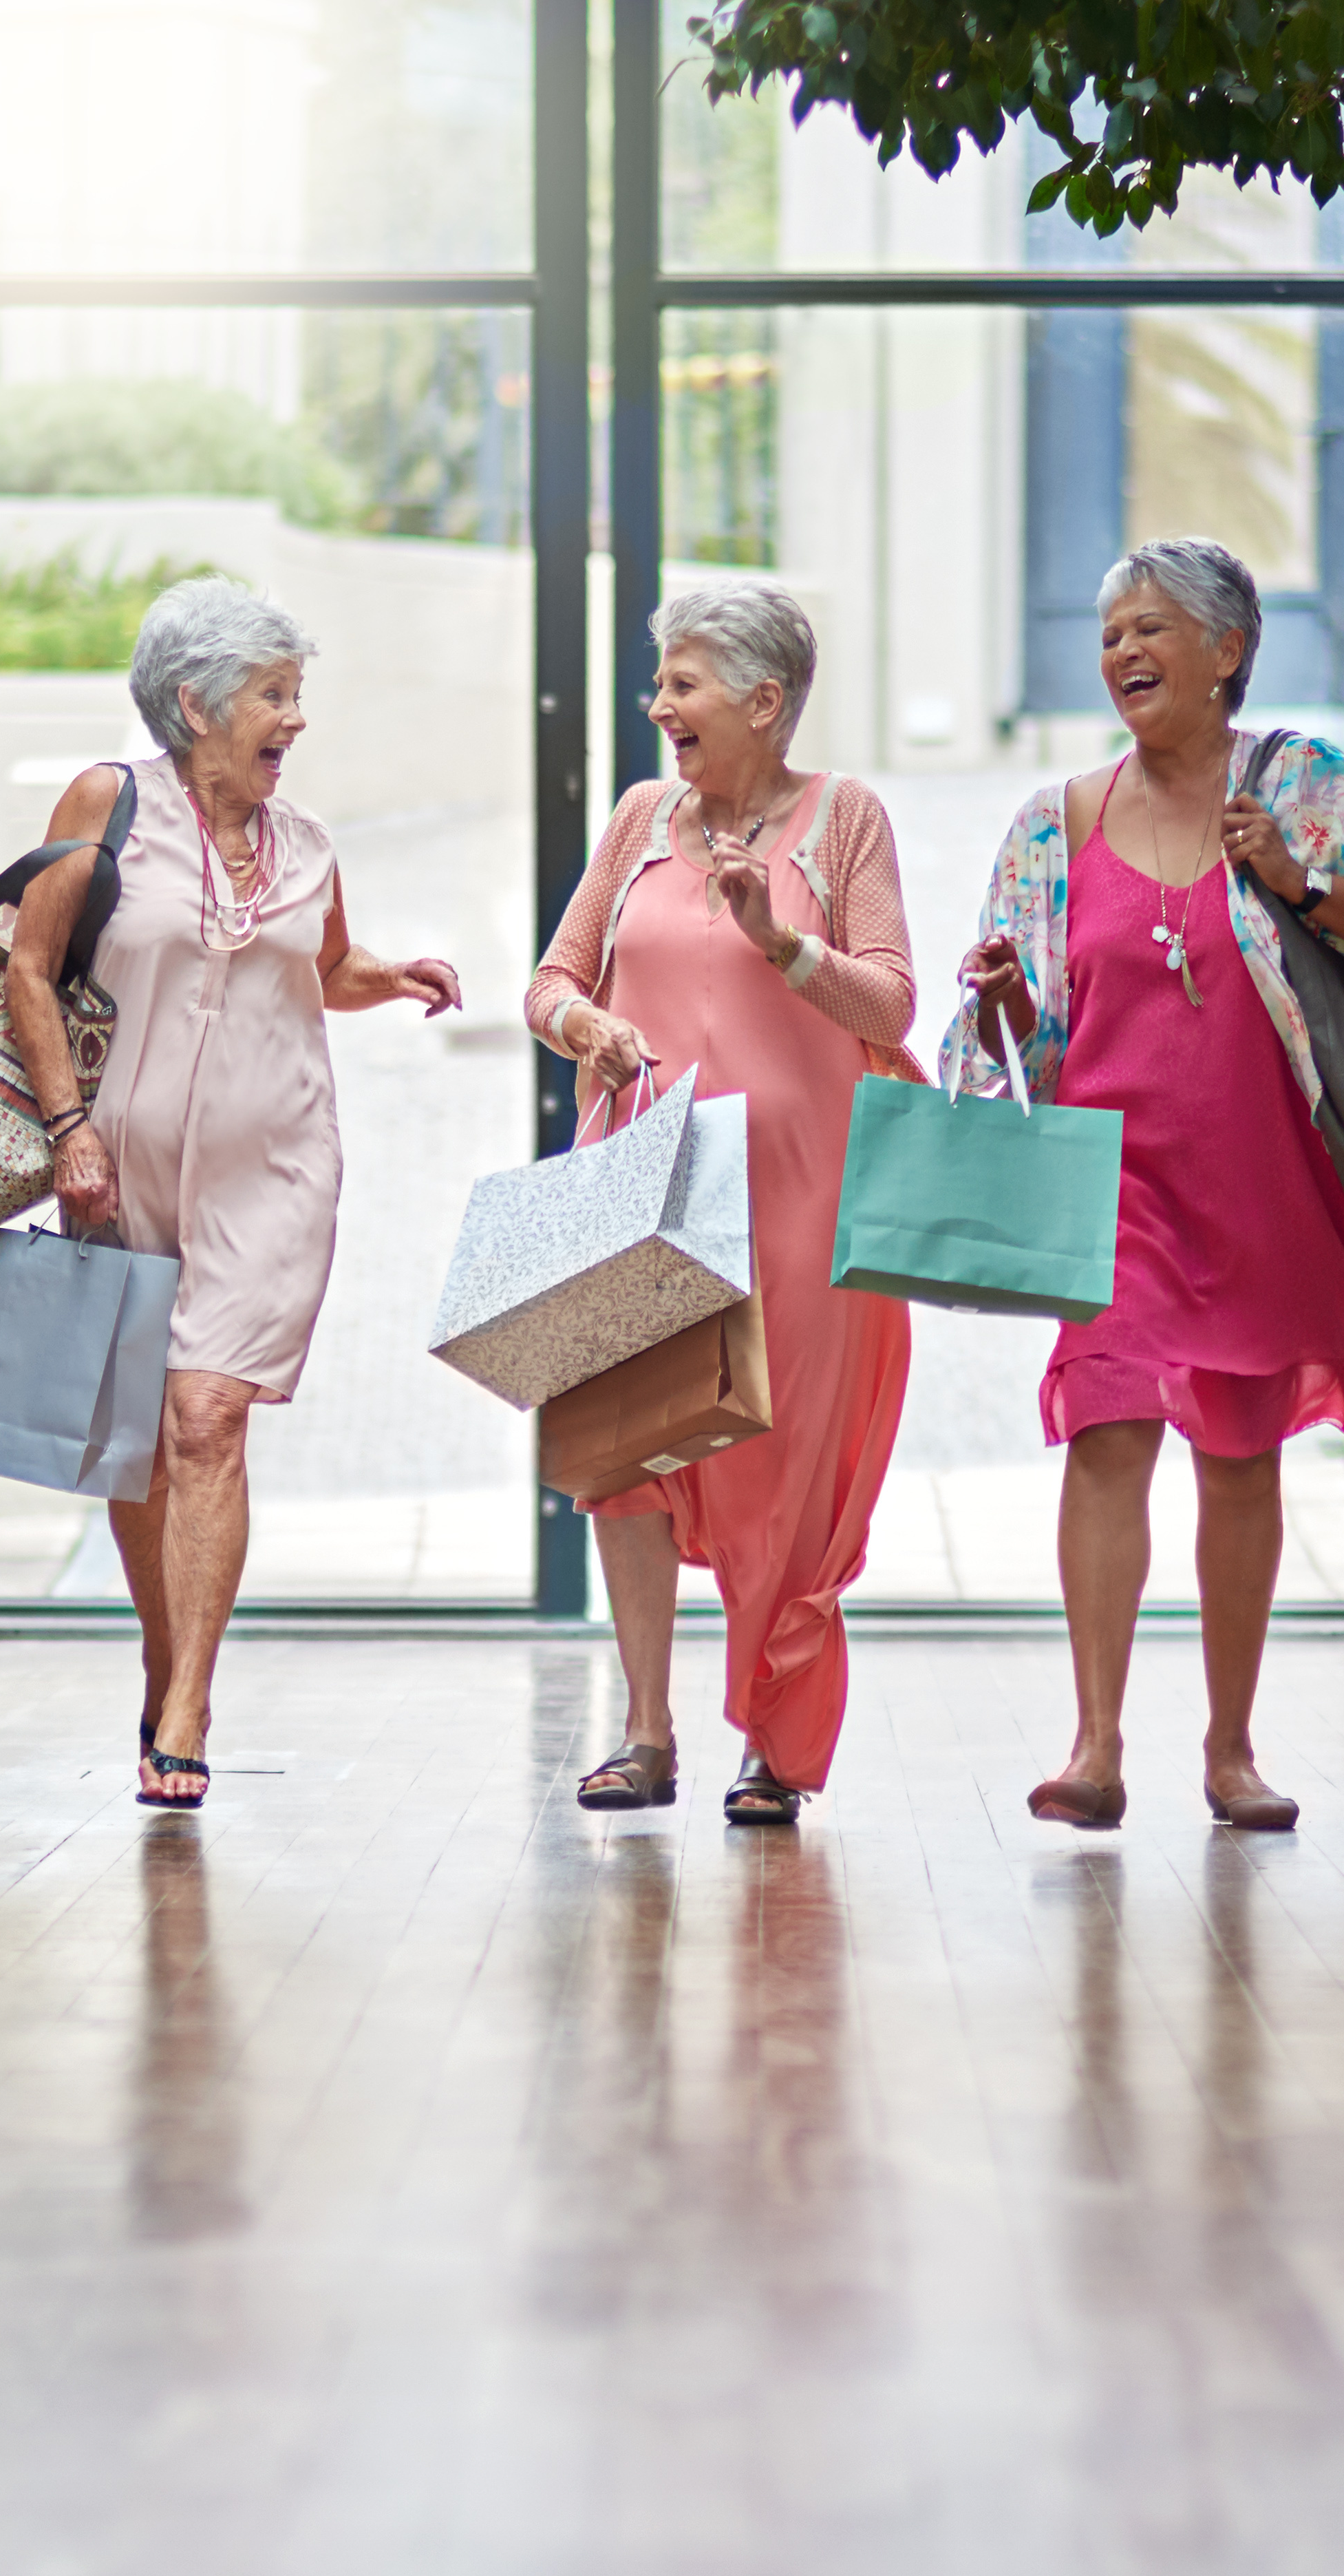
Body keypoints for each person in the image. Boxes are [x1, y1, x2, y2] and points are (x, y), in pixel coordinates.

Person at [949, 536, 1344, 1833]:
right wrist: (1007, 1000)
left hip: (1265, 1185)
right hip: (1111, 1187)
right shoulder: (1054, 823)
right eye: (1111, 629)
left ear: (1228, 650)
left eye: (1152, 628)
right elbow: (1011, 1058)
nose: (1123, 650)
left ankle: (1231, 1750)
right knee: (1107, 1428)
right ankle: (1095, 1746)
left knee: (1240, 1457)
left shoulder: (1304, 787)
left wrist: (1305, 885)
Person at [6, 575, 460, 1807]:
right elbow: (29, 971)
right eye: (275, 694)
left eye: (297, 694)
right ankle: (166, 1663)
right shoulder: (107, 806)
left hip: (274, 1172)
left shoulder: (305, 843)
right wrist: (64, 1129)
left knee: (208, 1416)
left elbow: (323, 965)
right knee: (142, 1448)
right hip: (114, 1172)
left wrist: (397, 973)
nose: (294, 720)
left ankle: (191, 1705)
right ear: (197, 702)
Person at [528, 584, 917, 1826]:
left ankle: (774, 1734)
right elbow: (551, 979)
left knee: (780, 1470)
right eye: (659, 683)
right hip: (641, 1181)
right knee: (623, 1459)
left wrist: (780, 941)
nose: (659, 708)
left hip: (801, 1204)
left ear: (764, 698)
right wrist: (582, 1023)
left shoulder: (845, 819)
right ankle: (646, 1733)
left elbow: (893, 1007)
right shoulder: (643, 817)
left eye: (682, 683)